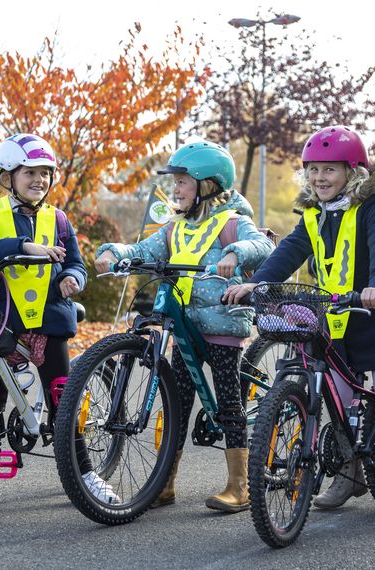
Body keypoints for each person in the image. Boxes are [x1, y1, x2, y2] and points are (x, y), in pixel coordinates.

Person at [224, 126, 375, 522]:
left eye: (330, 170)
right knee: (337, 396)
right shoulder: (314, 212)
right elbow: (290, 250)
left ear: (352, 172)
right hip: (334, 315)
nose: (319, 178)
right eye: (313, 169)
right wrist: (258, 282)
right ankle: (350, 471)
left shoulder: (373, 205)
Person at [95, 140, 274, 512]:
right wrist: (115, 252)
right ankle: (166, 482)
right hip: (185, 327)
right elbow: (145, 249)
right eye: (174, 182)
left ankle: (239, 486)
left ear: (207, 184)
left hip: (221, 323)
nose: (175, 189)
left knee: (229, 401)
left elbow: (261, 246)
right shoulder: (175, 227)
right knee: (177, 399)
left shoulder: (232, 222)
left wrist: (234, 253)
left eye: (182, 182)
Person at [0, 133, 115, 504]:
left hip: (49, 321)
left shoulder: (58, 218)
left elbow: (74, 261)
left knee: (64, 401)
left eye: (45, 173)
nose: (39, 180)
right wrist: (22, 247)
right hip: (6, 322)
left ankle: (87, 473)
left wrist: (72, 278)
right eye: (29, 172)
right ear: (7, 175)